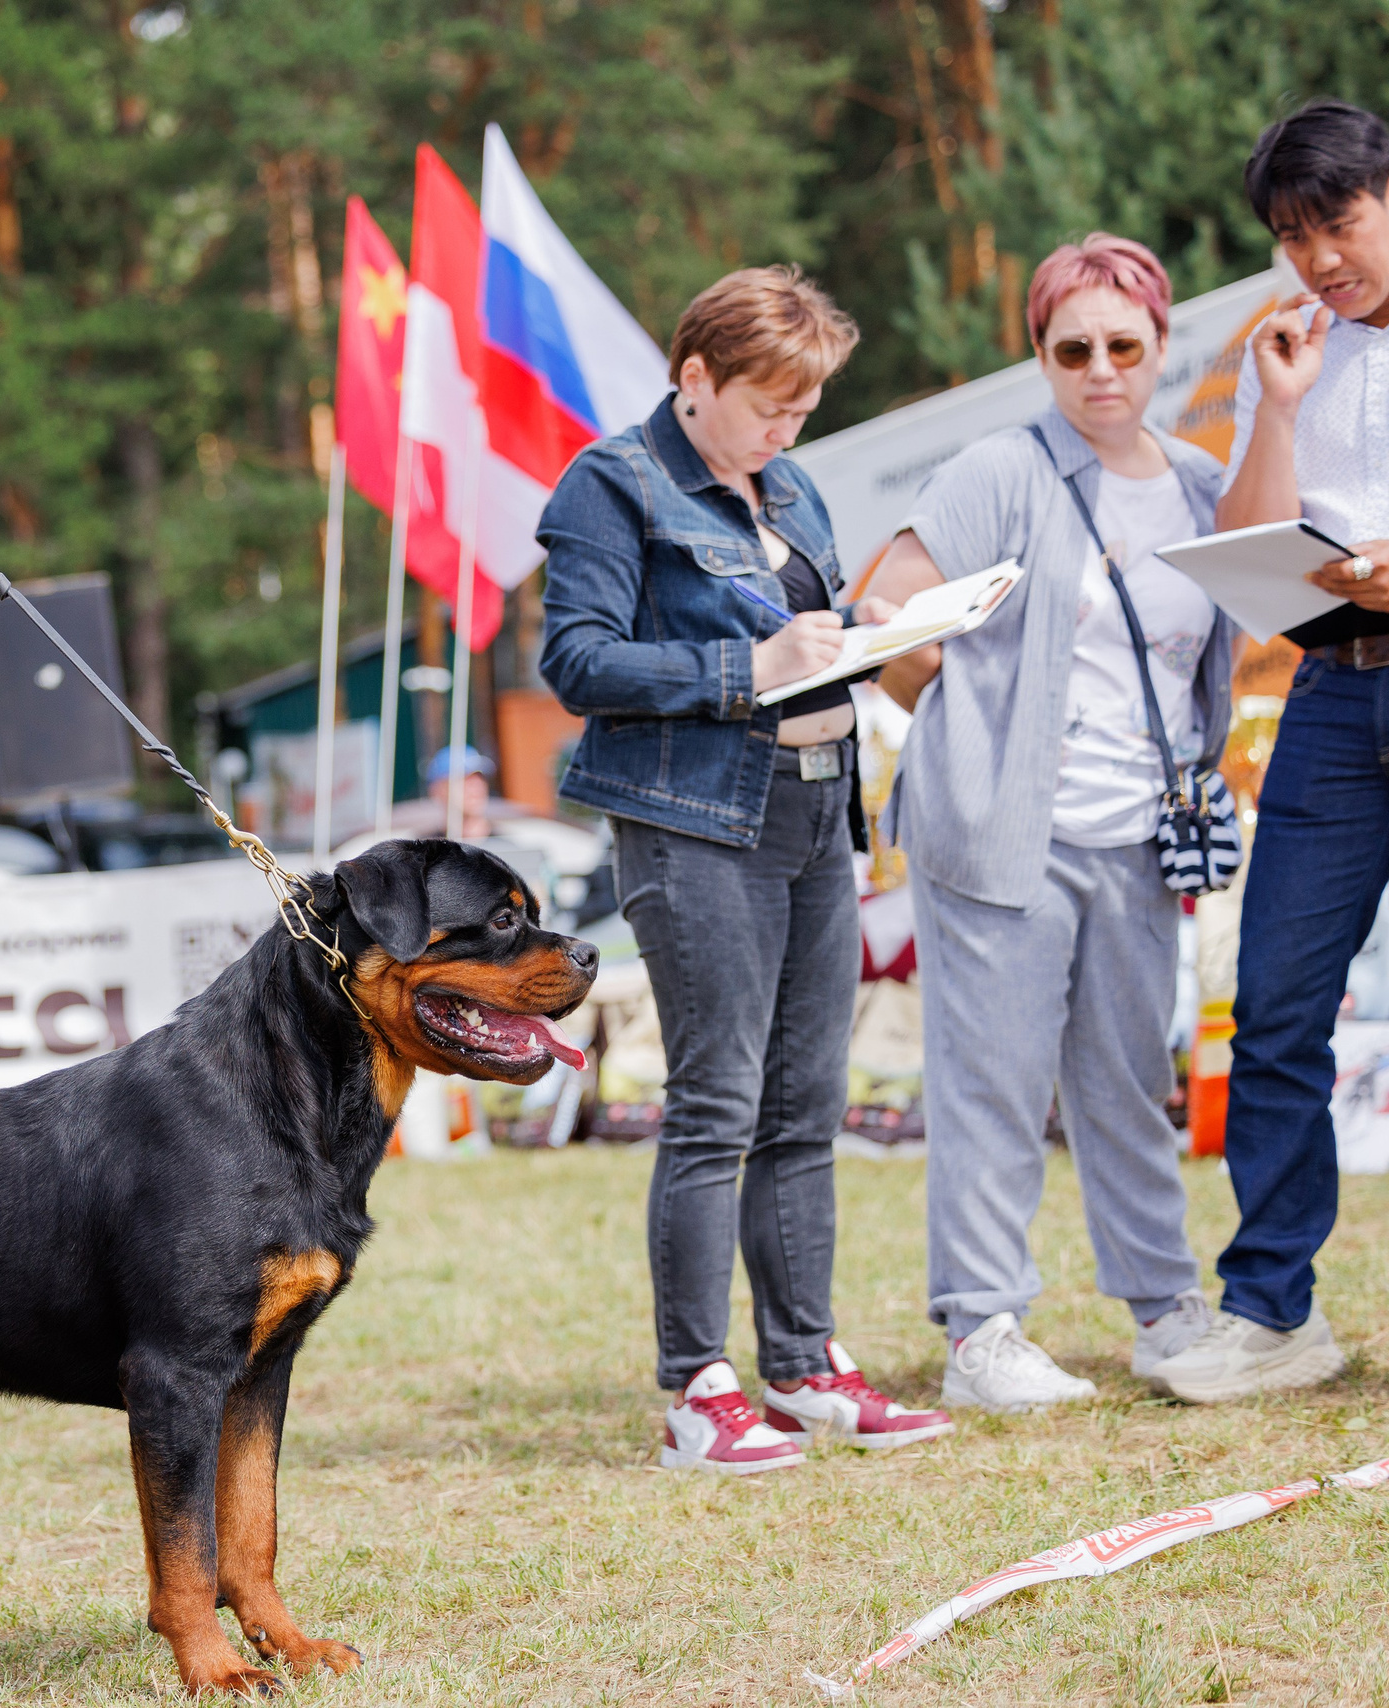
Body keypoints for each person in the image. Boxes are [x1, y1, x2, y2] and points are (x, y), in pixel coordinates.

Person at [542, 267, 955, 1473]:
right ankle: (696, 1385)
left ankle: (806, 1363)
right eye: (770, 403)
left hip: (815, 809)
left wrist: (874, 632)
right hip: (691, 819)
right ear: (696, 377)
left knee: (805, 1105)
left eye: (804, 407)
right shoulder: (611, 483)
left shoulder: (793, 485)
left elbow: (808, 645)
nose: (789, 428)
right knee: (716, 1103)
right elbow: (576, 661)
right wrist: (751, 662)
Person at [868, 235, 1236, 1412]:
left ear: (1159, 347)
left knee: (1129, 1076)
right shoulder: (999, 469)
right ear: (1039, 354)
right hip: (1001, 834)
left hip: (1138, 833)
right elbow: (886, 609)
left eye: (1122, 346)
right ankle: (981, 1329)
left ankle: (1166, 1308)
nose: (1099, 370)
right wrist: (968, 725)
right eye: (1070, 348)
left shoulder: (1194, 481)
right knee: (994, 1079)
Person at [1151, 98, 1389, 1403]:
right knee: (1281, 1004)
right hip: (1335, 698)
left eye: (1337, 223)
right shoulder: (1284, 349)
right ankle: (1276, 1314)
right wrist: (1285, 405)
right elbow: (1256, 558)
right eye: (1291, 237)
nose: (1316, 260)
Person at [385, 743, 528, 838]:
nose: (475, 787)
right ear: (437, 790)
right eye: (463, 779)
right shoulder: (424, 850)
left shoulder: (507, 844)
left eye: (479, 778)